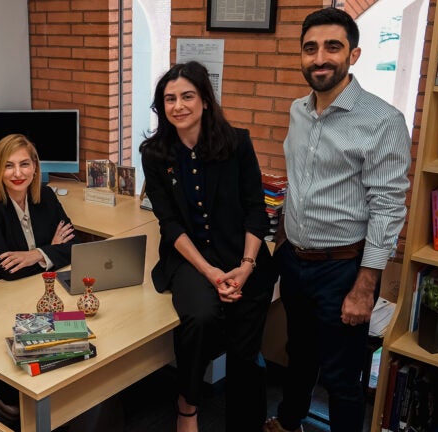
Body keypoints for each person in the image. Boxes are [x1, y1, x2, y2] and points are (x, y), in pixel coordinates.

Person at [263, 8, 411, 432]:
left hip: (344, 269)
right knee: (299, 354)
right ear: (301, 56)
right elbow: (299, 185)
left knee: (342, 377)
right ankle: (289, 422)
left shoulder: (382, 121)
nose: (320, 58)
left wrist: (365, 286)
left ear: (355, 54)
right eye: (310, 48)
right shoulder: (298, 110)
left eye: (333, 47)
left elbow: (388, 207)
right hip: (296, 260)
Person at [140, 61, 276, 432]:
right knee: (199, 318)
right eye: (169, 99)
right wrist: (210, 272)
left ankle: (245, 423)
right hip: (190, 259)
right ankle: (187, 404)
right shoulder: (155, 154)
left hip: (243, 255)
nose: (178, 106)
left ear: (204, 100)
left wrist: (246, 266)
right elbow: (169, 224)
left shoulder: (236, 143)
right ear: (161, 106)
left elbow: (255, 209)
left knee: (244, 354)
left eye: (187, 96)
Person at [0, 133, 76, 421]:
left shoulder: (47, 197)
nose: (17, 174)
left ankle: (59, 392)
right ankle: (10, 386)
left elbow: (73, 244)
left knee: (67, 320)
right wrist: (52, 252)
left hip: (37, 285)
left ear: (35, 167)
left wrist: (34, 255)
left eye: (24, 164)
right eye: (8, 166)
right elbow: (5, 270)